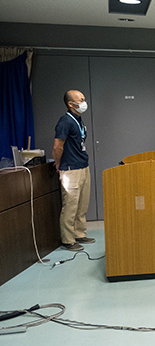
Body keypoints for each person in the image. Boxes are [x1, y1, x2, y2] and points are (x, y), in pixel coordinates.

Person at [53, 90, 95, 251]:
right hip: (70, 169)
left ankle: (80, 233)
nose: (84, 102)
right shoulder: (65, 121)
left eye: (84, 98)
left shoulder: (79, 120)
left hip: (83, 165)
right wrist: (58, 164)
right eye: (80, 100)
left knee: (82, 204)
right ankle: (68, 239)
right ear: (71, 104)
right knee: (70, 206)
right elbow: (58, 146)